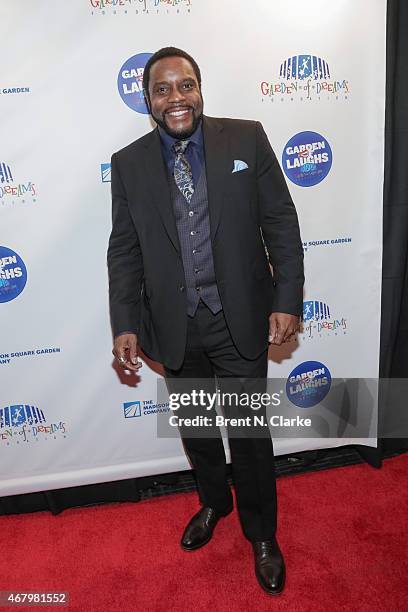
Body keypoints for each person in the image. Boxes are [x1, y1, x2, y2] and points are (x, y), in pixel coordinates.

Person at [107, 46, 304, 595]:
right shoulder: (129, 163)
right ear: (148, 100)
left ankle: (262, 534)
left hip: (239, 321)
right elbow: (124, 250)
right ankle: (214, 503)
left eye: (185, 85)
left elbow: (280, 223)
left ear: (200, 88)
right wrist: (125, 321)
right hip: (174, 326)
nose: (177, 98)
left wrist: (286, 298)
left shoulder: (245, 138)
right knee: (197, 431)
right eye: (164, 89)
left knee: (248, 433)